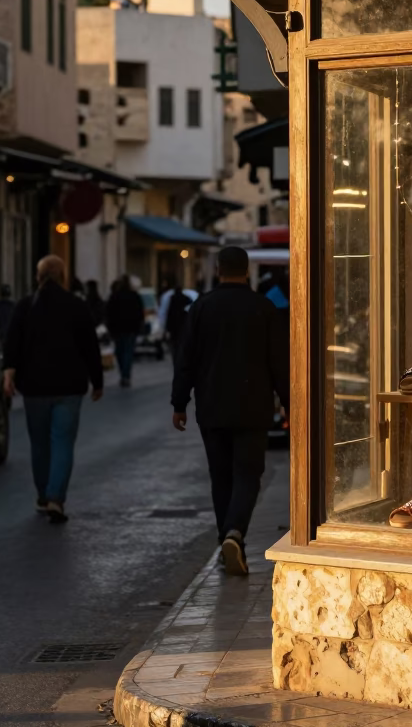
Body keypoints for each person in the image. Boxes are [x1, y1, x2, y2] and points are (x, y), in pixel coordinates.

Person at [171, 246, 289, 575]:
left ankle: (227, 539)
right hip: (253, 408)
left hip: (211, 407)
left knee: (220, 476)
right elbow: (280, 363)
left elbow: (186, 361)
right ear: (246, 271)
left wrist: (179, 403)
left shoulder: (201, 308)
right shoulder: (263, 308)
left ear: (219, 270)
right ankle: (235, 533)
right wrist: (291, 405)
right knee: (248, 475)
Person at [2, 255, 103, 523]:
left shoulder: (25, 307)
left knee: (40, 444)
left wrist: (9, 374)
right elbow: (90, 347)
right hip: (69, 387)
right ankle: (56, 497)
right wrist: (97, 380)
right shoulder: (77, 307)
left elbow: (11, 342)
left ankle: (43, 495)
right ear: (63, 277)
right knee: (63, 443)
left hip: (35, 388)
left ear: (38, 277)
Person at [105, 274, 144, 387]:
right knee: (127, 351)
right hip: (129, 328)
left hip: (119, 329)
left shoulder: (115, 296)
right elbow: (139, 313)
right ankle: (125, 375)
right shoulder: (134, 296)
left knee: (120, 351)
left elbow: (109, 312)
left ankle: (124, 374)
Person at [164, 283, 193, 363]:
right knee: (181, 344)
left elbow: (169, 313)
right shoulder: (185, 298)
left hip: (174, 326)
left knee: (174, 345)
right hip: (182, 325)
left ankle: (176, 359)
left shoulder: (172, 299)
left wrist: (167, 327)